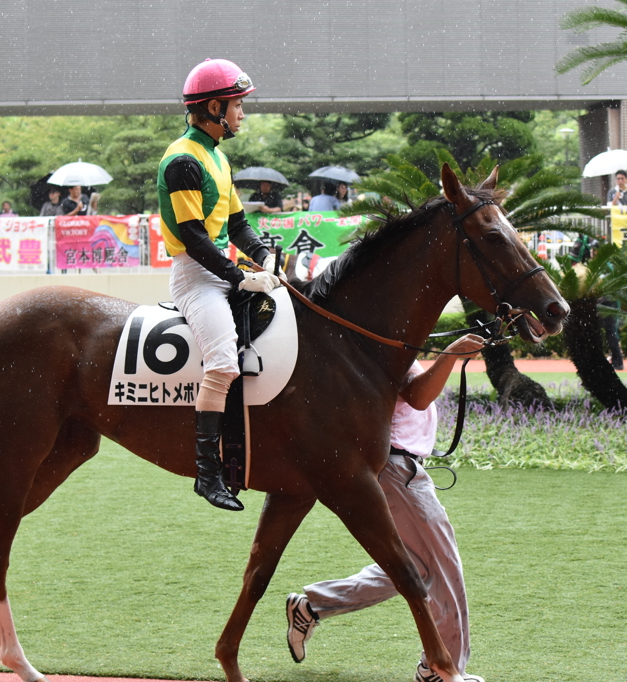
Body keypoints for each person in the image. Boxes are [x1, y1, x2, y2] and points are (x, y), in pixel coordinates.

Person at [285, 335, 487, 682]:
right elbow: (418, 396)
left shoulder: (380, 340)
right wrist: (452, 353)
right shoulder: (380, 344)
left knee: (412, 569)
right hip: (396, 468)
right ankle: (441, 670)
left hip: (396, 466)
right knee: (443, 567)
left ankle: (312, 607)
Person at [157, 58, 278, 512]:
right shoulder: (183, 160)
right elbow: (192, 236)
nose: (242, 113)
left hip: (222, 271)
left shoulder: (218, 157)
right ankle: (207, 474)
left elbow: (239, 224)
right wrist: (239, 277)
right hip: (196, 277)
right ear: (213, 107)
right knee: (224, 360)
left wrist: (265, 260)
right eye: (237, 105)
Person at [568, 234, 624, 370]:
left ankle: (618, 361)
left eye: (594, 251)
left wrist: (600, 297)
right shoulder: (594, 266)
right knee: (598, 331)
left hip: (608, 303)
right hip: (600, 302)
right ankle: (602, 359)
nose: (592, 253)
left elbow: (611, 285)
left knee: (610, 332)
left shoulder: (606, 266)